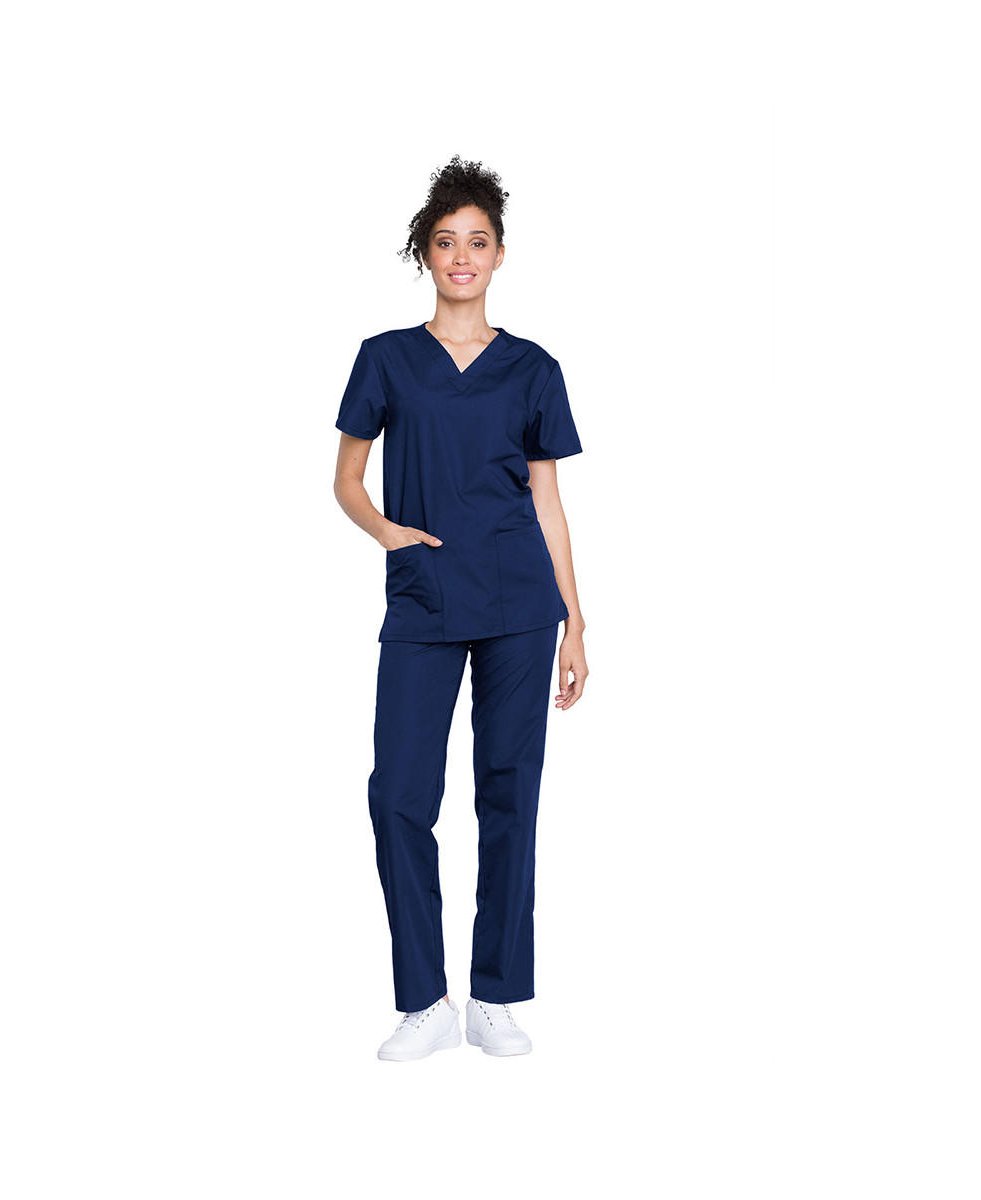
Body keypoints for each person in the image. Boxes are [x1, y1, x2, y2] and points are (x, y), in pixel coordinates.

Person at [332, 155, 588, 1061]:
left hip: (521, 603)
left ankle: (495, 997)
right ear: (426, 255)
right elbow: (347, 479)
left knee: (509, 794)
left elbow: (548, 501)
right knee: (398, 796)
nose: (463, 257)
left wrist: (576, 622)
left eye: (478, 242)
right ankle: (424, 1002)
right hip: (424, 597)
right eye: (446, 242)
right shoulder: (386, 359)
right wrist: (388, 534)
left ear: (500, 254)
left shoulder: (533, 369)